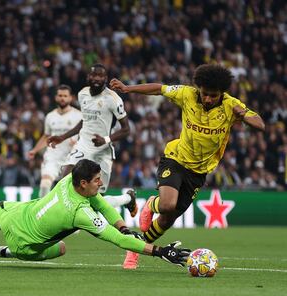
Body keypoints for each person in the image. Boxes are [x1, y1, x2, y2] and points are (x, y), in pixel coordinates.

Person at [110, 64, 265, 269]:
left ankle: (135, 248)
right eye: (205, 94)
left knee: (167, 220)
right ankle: (151, 204)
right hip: (176, 159)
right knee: (167, 205)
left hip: (199, 172)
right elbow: (160, 88)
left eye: (213, 95)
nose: (208, 99)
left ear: (222, 93)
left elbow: (260, 125)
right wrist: (128, 88)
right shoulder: (187, 94)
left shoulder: (231, 105)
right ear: (198, 88)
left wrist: (243, 114)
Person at [0, 159, 190, 266]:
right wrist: (159, 251)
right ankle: (11, 252)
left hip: (17, 214)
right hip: (24, 242)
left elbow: (101, 202)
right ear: (83, 183)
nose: (100, 184)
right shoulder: (80, 214)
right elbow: (119, 242)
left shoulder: (68, 179)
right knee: (63, 247)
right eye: (96, 181)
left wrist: (121, 223)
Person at [47, 64, 138, 217]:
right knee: (65, 177)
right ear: (88, 77)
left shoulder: (113, 99)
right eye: (94, 75)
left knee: (97, 201)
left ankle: (128, 198)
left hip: (102, 150)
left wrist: (106, 139)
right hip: (83, 145)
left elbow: (126, 129)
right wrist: (62, 137)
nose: (96, 78)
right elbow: (85, 121)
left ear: (106, 79)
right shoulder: (82, 94)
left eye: (100, 76)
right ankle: (59, 216)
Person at [28, 85, 82, 197]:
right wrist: (35, 150)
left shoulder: (78, 116)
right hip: (53, 157)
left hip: (71, 159)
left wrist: (77, 142)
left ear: (70, 98)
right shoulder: (50, 116)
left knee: (69, 192)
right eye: (60, 95)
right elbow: (46, 136)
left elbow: (84, 136)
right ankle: (41, 211)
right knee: (45, 183)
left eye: (65, 96)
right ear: (56, 97)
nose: (62, 98)